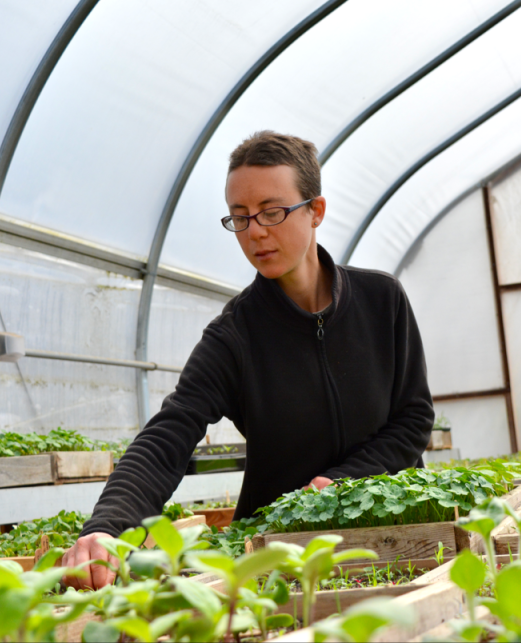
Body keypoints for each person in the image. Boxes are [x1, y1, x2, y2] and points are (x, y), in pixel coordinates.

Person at [62, 131, 434, 589]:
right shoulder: (234, 336)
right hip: (280, 557)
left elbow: (414, 419)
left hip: (402, 538)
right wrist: (107, 528)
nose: (256, 231)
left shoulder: (382, 301)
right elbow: (170, 433)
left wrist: (340, 481)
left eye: (272, 212)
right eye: (241, 218)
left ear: (315, 210)